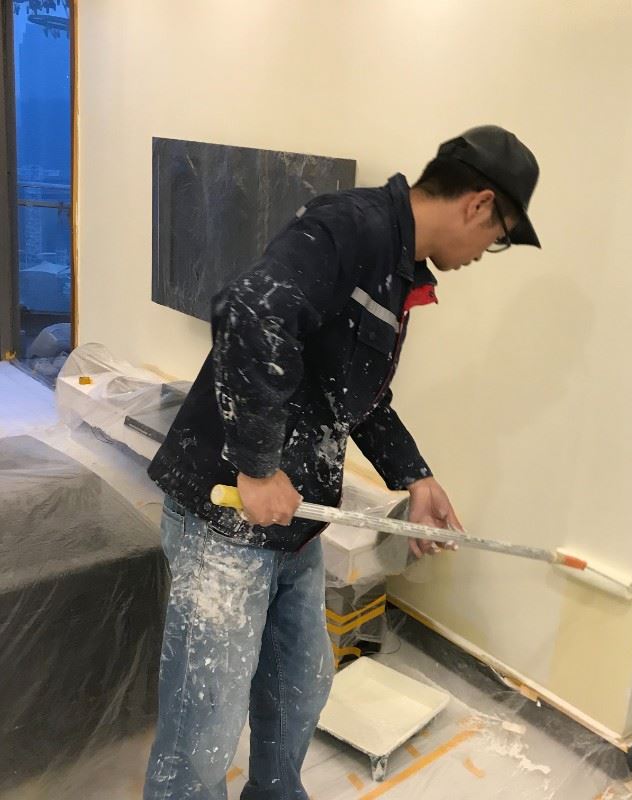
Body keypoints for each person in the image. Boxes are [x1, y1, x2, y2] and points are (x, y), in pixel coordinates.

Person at [143, 124, 541, 800]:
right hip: (226, 514)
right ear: (478, 205)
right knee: (204, 722)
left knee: (299, 686)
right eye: (497, 236)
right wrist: (257, 467)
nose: (484, 253)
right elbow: (250, 313)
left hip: (293, 521)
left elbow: (352, 393)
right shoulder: (351, 228)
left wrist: (413, 474)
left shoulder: (397, 265)